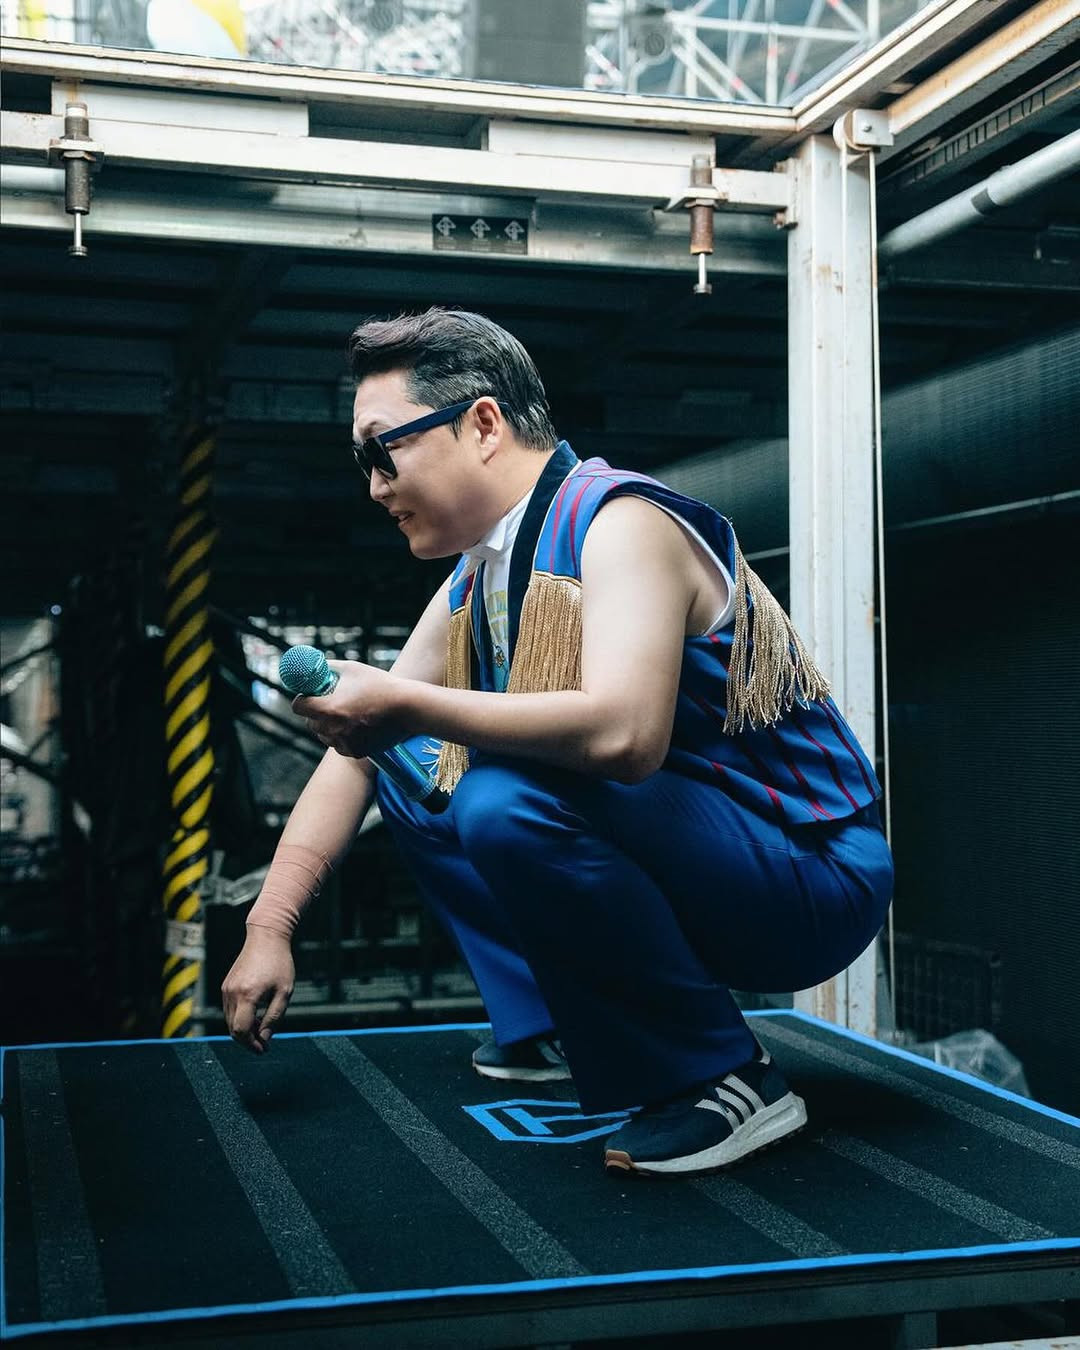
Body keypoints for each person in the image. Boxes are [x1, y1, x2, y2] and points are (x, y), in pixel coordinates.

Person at [222, 307, 893, 1178]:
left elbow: (625, 738)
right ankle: (554, 1022)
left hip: (810, 877)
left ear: (483, 425)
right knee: (412, 769)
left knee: (500, 794)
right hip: (713, 858)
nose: (375, 487)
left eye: (382, 452)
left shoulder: (623, 523)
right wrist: (270, 926)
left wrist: (408, 704)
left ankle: (723, 1076)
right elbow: (363, 750)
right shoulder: (482, 573)